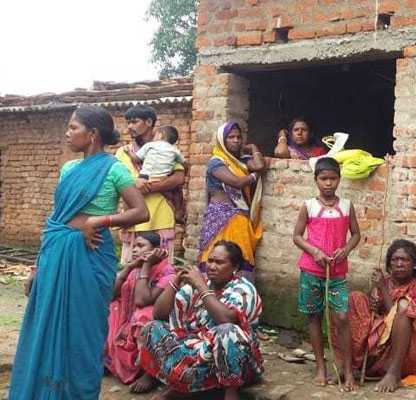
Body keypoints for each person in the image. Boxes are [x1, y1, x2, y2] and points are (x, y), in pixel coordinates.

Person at [9, 106, 149, 399]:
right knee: (44, 326)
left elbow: (140, 211)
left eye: (73, 127)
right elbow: (56, 220)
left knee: (83, 330)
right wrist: (37, 267)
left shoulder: (114, 169)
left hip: (91, 256)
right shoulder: (69, 169)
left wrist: (100, 221)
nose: (67, 133)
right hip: (56, 252)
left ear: (93, 134)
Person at [138, 240, 263, 400]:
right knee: (152, 327)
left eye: (219, 262)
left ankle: (230, 392)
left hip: (235, 361)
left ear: (235, 267)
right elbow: (159, 314)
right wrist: (175, 282)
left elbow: (226, 320)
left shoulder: (243, 289)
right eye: (210, 261)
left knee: (227, 331)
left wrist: (201, 286)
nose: (212, 266)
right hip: (196, 352)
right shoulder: (200, 284)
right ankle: (181, 386)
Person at [293, 157, 360, 391]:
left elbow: (356, 234)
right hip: (311, 270)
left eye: (333, 178)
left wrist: (346, 249)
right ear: (316, 180)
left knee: (341, 317)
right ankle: (321, 367)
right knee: (314, 317)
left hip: (337, 272)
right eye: (323, 179)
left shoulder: (347, 206)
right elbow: (297, 236)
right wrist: (315, 251)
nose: (328, 183)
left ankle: (348, 371)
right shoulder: (309, 205)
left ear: (339, 180)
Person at [340, 239, 416, 393]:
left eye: (404, 260)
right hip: (376, 347)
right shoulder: (384, 282)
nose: (399, 264)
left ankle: (393, 374)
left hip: (403, 351)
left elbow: (399, 317)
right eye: (395, 260)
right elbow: (373, 317)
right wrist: (373, 303)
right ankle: (348, 366)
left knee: (404, 306)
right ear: (389, 264)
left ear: (414, 264)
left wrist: (383, 290)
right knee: (354, 298)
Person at [104, 231, 175, 393]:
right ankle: (109, 361)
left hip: (156, 323)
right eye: (134, 246)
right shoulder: (135, 269)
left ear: (157, 250)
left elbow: (141, 300)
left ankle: (150, 372)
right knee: (110, 308)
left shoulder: (168, 273)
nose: (135, 249)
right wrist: (129, 267)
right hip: (129, 320)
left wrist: (147, 266)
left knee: (143, 315)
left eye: (141, 246)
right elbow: (110, 295)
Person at [117, 105, 186, 264]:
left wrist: (149, 188)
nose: (129, 127)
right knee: (131, 269)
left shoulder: (167, 150)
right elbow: (120, 182)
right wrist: (136, 186)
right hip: (134, 218)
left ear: (149, 122)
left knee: (161, 269)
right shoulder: (124, 152)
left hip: (161, 216)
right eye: (128, 122)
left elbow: (178, 178)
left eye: (134, 122)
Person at [198, 121, 266, 283]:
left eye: (238, 137)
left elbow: (259, 165)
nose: (236, 140)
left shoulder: (241, 161)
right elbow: (236, 182)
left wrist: (254, 148)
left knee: (241, 256)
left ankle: (239, 294)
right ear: (222, 140)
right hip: (221, 218)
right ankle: (209, 293)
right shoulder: (216, 162)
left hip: (240, 218)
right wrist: (254, 176)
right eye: (231, 137)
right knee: (216, 256)